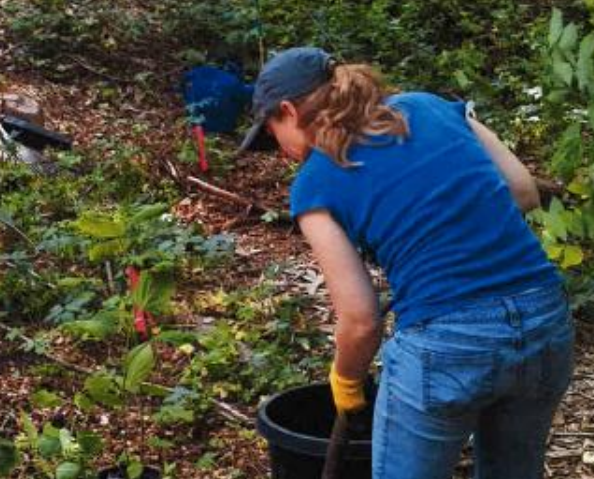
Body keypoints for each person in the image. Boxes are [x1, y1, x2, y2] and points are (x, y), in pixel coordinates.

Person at [240, 47, 573, 479]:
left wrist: (345, 379)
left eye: (272, 132)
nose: (280, 150)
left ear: (287, 110)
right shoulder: (429, 105)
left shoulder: (314, 182)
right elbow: (524, 192)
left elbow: (360, 320)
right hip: (545, 320)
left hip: (448, 344)